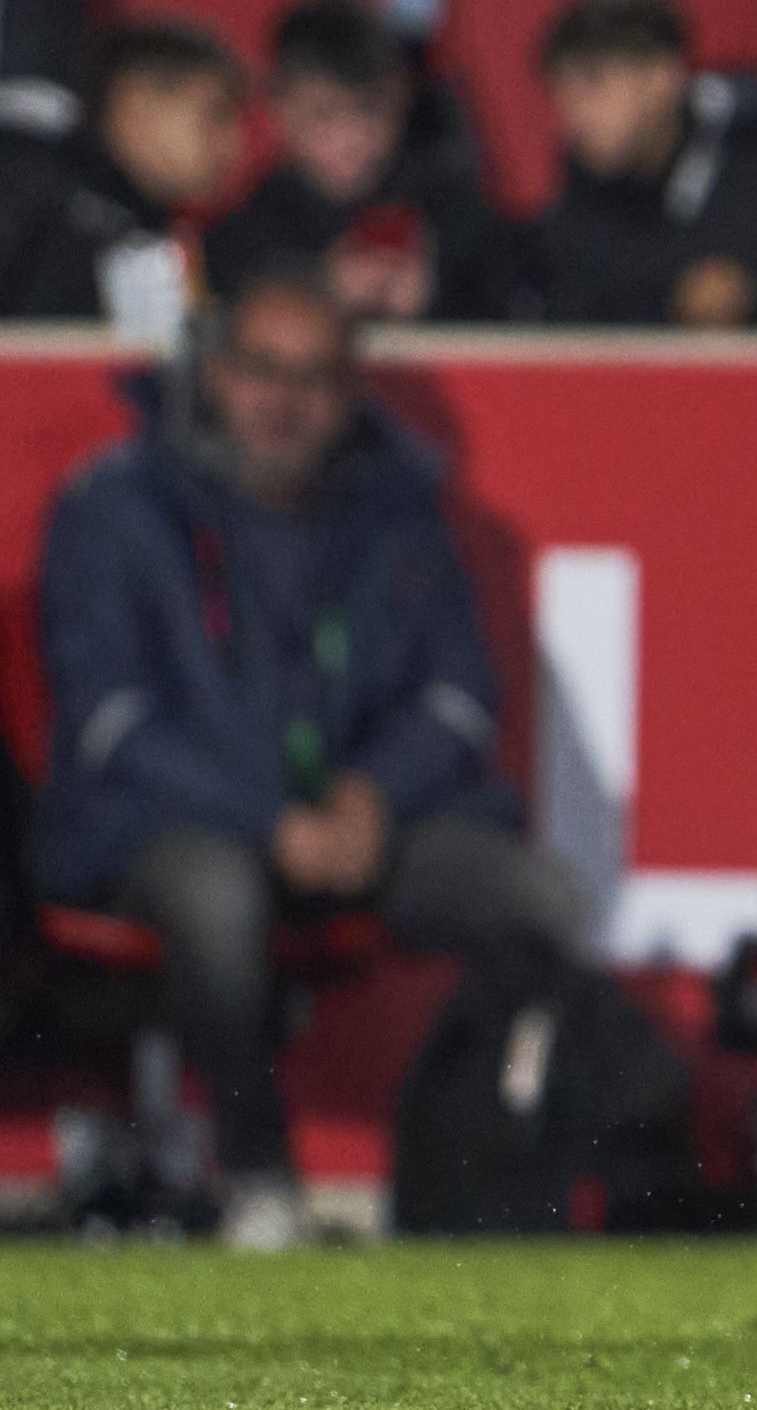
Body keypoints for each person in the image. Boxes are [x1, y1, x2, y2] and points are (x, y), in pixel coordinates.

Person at [29, 268, 584, 1248]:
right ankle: (261, 1185)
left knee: (538, 896)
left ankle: (478, 1190)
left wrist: (372, 798)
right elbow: (111, 723)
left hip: (356, 827)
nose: (282, 401)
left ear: (351, 391)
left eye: (315, 377)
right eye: (260, 371)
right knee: (216, 893)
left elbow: (458, 699)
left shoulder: (400, 510)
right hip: (166, 829)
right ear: (212, 374)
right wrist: (269, 819)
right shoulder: (115, 506)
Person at [525, 0, 757, 328]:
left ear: (663, 78)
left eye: (594, 84)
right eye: (561, 90)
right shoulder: (576, 193)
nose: (574, 113)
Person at [201, 0, 510, 318]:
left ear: (401, 98)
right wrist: (317, 291)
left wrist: (438, 296)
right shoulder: (245, 231)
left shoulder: (457, 209)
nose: (351, 138)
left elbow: (519, 318)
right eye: (323, 113)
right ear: (280, 106)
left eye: (369, 111)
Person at [0, 13, 238, 331]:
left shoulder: (150, 229)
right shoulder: (34, 210)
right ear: (136, 106)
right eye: (215, 117)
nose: (234, 145)